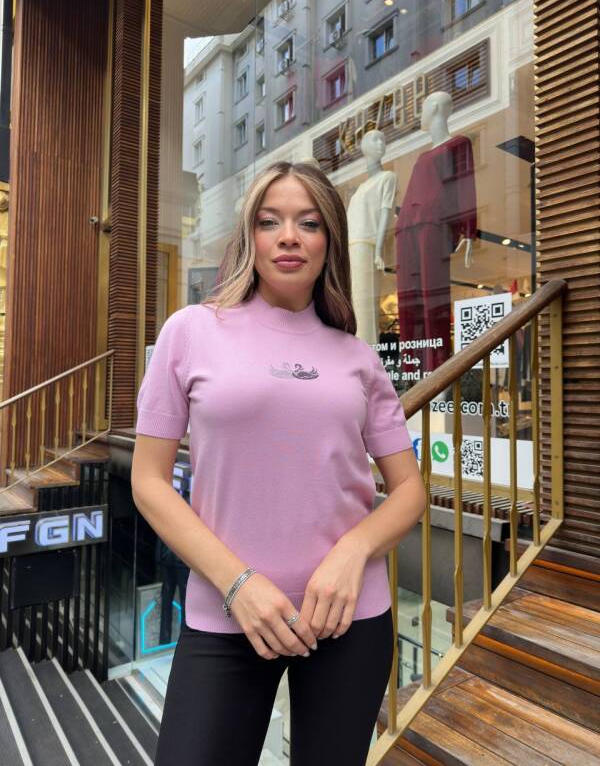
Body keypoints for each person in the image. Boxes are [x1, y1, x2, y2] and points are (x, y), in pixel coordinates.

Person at [131, 160, 427, 766]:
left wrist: (351, 553)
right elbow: (148, 481)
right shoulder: (191, 332)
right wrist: (238, 583)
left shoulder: (358, 358)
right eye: (270, 222)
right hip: (227, 613)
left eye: (308, 223)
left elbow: (409, 492)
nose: (289, 237)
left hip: (348, 617)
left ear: (329, 241)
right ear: (250, 236)